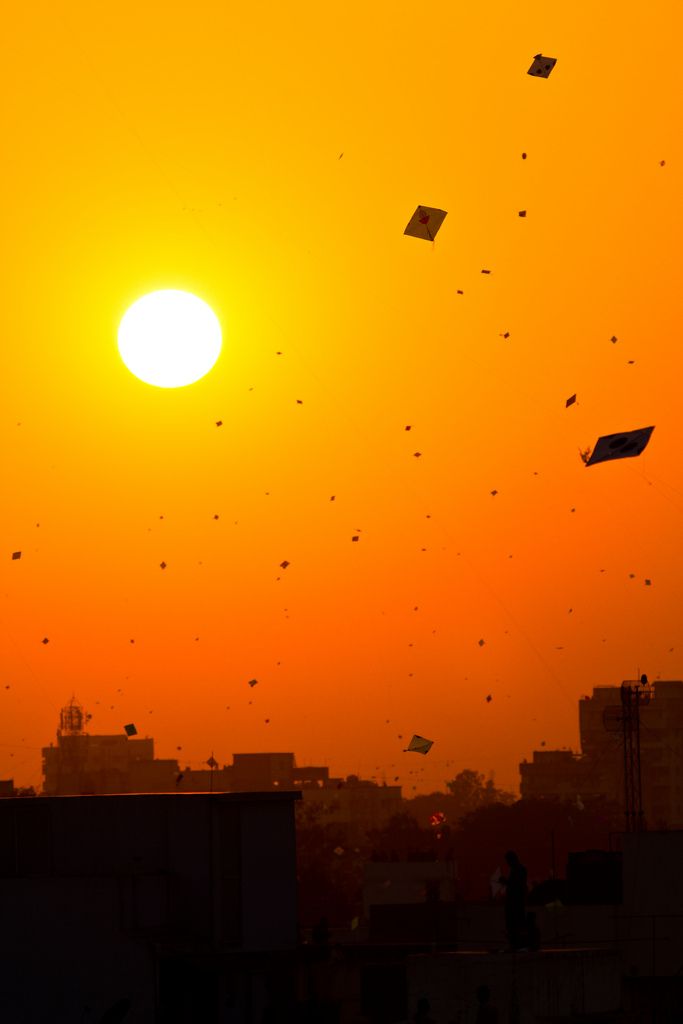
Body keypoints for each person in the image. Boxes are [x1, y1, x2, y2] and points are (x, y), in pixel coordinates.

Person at [499, 850, 527, 950]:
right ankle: (517, 943)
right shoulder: (519, 869)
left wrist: (506, 882)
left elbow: (516, 886)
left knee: (514, 924)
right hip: (516, 903)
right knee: (515, 924)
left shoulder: (518, 870)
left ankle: (516, 943)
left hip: (515, 903)